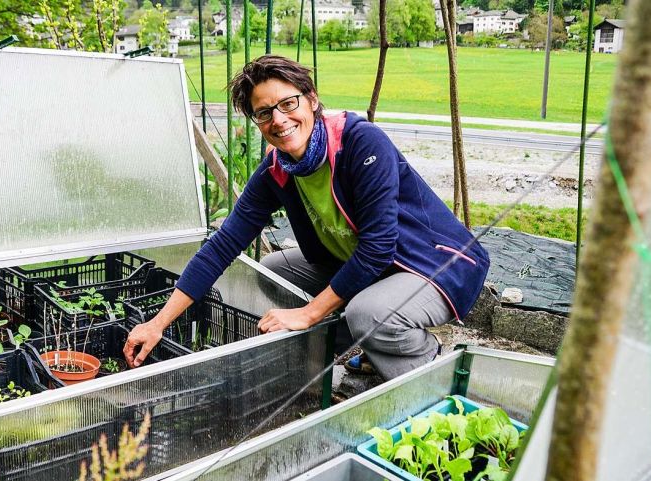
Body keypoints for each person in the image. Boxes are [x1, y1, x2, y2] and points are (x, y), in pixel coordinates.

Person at [123, 55, 489, 381]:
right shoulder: (278, 170)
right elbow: (223, 246)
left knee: (368, 314)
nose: (279, 120)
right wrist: (158, 323)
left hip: (434, 263)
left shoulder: (360, 143)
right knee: (275, 271)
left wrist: (309, 314)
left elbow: (378, 247)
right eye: (264, 113)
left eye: (288, 103)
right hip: (376, 267)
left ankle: (433, 373)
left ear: (311, 99)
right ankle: (374, 346)